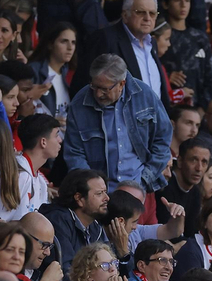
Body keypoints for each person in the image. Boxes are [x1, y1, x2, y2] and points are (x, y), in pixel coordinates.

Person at [61, 54, 172, 192]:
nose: (98, 94)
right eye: (94, 86)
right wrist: (92, 187)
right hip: (98, 194)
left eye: (105, 89)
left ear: (122, 83)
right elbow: (74, 153)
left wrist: (145, 179)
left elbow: (163, 139)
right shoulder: (79, 104)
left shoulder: (145, 95)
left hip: (140, 189)